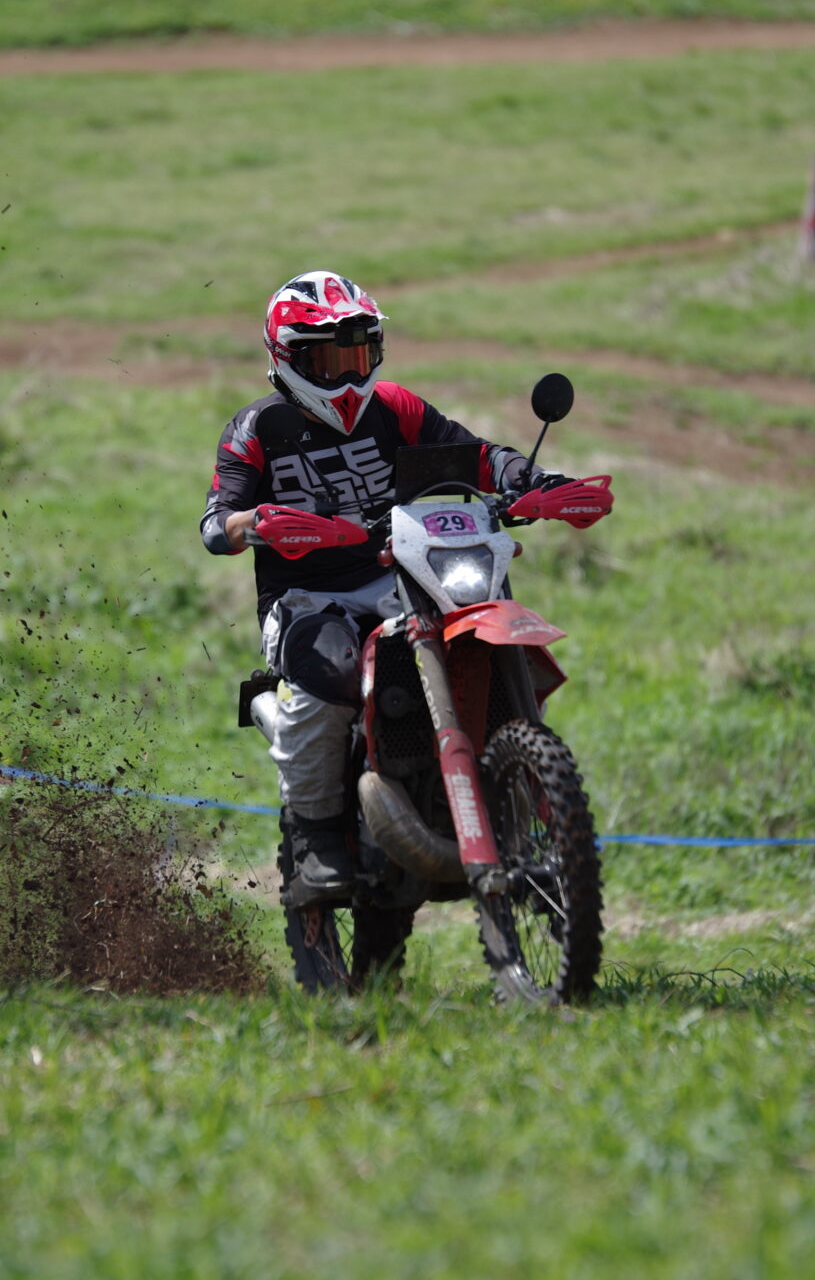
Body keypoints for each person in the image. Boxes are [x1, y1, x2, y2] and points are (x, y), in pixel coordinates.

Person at [200, 270, 586, 897]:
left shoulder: (395, 408)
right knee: (329, 676)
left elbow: (474, 456)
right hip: (306, 600)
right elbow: (216, 523)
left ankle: (516, 792)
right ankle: (315, 835)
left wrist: (532, 478)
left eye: (358, 354)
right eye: (329, 359)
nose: (347, 373)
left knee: (481, 633)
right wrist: (254, 523)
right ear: (288, 357)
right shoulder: (256, 429)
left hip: (403, 575)